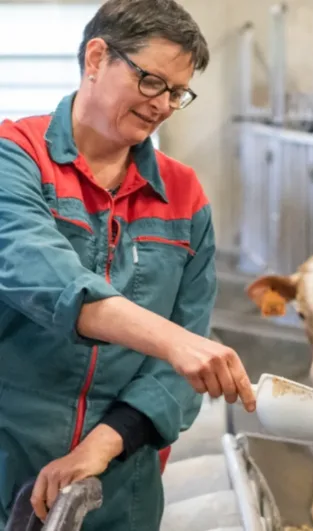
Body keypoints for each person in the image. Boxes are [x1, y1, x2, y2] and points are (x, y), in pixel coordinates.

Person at [0, 0, 256, 529]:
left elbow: (179, 365)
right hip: (9, 460)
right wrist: (174, 342)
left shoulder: (182, 195)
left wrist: (102, 444)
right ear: (96, 58)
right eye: (151, 82)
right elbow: (45, 276)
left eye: (177, 93)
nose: (163, 105)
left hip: (121, 485)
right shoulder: (15, 157)